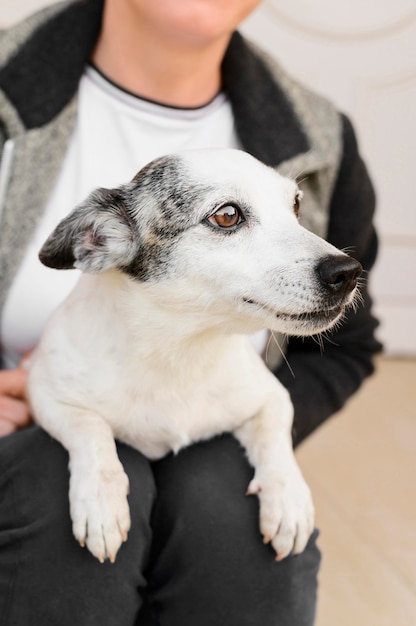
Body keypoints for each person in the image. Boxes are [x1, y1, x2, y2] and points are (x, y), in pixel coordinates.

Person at [0, 0, 381, 624]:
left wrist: (232, 440)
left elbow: (347, 347)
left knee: (226, 511)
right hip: (37, 421)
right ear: (99, 243)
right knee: (55, 502)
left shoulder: (319, 134)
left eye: (289, 209)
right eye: (228, 219)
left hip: (212, 404)